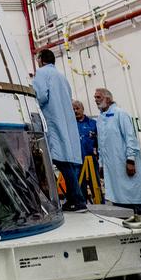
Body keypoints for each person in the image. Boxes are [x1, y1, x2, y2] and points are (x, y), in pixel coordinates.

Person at [32, 50, 85, 211]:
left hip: (52, 121)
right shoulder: (61, 76)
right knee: (65, 160)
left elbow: (40, 96)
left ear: (40, 60)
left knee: (59, 161)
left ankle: (76, 199)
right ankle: (74, 199)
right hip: (64, 121)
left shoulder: (41, 73)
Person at [93, 87, 141, 227]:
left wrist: (130, 160)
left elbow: (131, 138)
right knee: (118, 199)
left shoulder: (121, 114)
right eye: (95, 98)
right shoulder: (100, 119)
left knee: (136, 196)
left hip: (126, 165)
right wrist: (101, 164)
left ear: (108, 99)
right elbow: (101, 144)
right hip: (112, 170)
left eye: (98, 97)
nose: (96, 100)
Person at [73, 100, 99, 200]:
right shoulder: (70, 125)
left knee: (95, 184)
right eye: (73, 109)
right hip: (77, 161)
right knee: (80, 185)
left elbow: (99, 142)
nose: (75, 111)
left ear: (83, 109)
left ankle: (99, 204)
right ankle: (83, 205)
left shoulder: (93, 124)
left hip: (92, 160)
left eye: (77, 108)